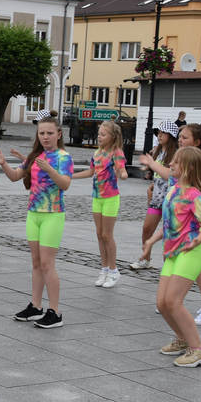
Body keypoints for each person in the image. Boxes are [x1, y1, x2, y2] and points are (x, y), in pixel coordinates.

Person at [0, 114, 74, 328]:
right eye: (42, 133)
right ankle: (36, 307)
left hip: (53, 214)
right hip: (33, 214)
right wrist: (3, 163)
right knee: (36, 263)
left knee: (47, 264)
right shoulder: (35, 155)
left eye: (50, 133)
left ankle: (55, 312)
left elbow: (65, 184)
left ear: (59, 134)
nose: (45, 137)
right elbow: (15, 176)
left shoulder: (64, 157)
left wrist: (50, 169)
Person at [139, 147, 201, 367]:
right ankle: (183, 340)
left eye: (176, 162)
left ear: (188, 168)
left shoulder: (195, 196)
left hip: (190, 252)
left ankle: (199, 350)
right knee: (162, 303)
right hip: (173, 253)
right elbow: (169, 225)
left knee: (173, 301)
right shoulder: (173, 191)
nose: (170, 164)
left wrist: (197, 240)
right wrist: (151, 241)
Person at [146, 124, 201, 326]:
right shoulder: (179, 162)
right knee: (181, 259)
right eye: (179, 137)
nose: (180, 140)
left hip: (191, 224)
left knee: (197, 264)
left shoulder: (200, 164)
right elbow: (172, 179)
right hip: (175, 216)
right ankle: (171, 300)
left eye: (185, 138)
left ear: (197, 142)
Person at [72, 121, 128, 288]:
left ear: (113, 137)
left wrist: (122, 173)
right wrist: (70, 176)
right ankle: (104, 269)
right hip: (97, 197)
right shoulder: (97, 153)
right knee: (99, 234)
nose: (99, 137)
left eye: (103, 134)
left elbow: (122, 170)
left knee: (107, 235)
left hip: (111, 197)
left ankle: (113, 270)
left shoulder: (116, 152)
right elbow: (91, 172)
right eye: (99, 134)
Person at [133, 121, 179, 270]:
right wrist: (152, 185)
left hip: (170, 199)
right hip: (157, 197)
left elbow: (170, 176)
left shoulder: (176, 154)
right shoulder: (157, 151)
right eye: (158, 132)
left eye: (163, 133)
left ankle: (170, 265)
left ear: (171, 136)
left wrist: (152, 165)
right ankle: (145, 259)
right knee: (147, 228)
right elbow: (158, 174)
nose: (159, 135)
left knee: (168, 233)